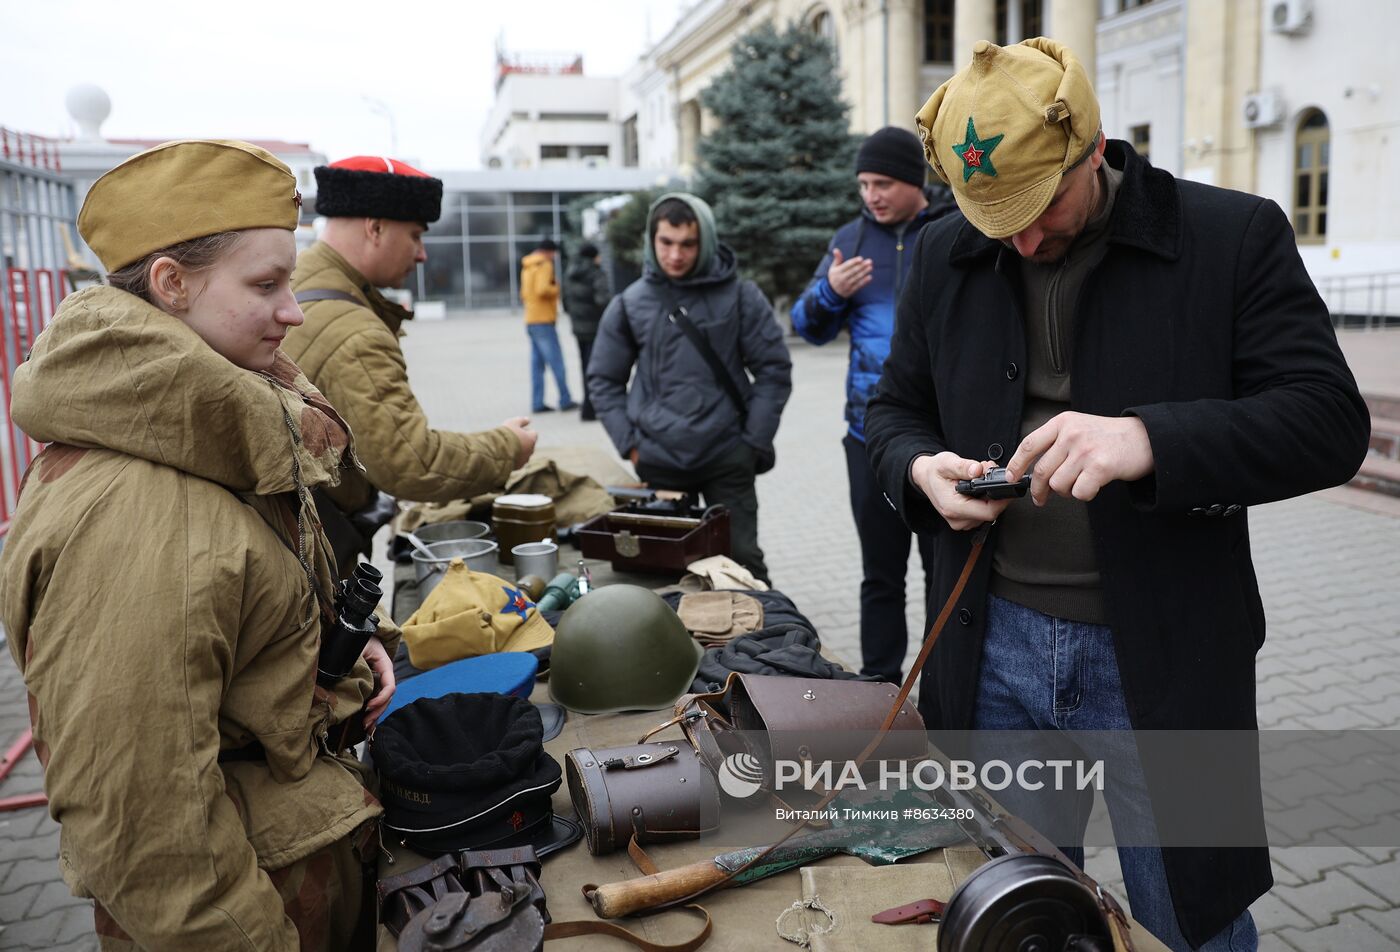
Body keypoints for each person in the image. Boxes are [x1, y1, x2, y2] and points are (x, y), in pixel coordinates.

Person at [863, 39, 1369, 952]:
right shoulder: (944, 251)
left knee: (1194, 924)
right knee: (1021, 913)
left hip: (1169, 659)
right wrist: (916, 469)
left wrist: (1150, 439)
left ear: (1091, 148)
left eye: (1040, 206)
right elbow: (895, 409)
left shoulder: (1231, 236)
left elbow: (1329, 420)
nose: (1018, 241)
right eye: (993, 217)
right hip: (992, 649)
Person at [0, 140, 398, 949]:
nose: (294, 311)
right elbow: (151, 842)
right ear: (171, 285)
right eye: (265, 285)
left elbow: (241, 616)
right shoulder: (138, 513)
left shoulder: (214, 423)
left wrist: (348, 651)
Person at [285, 155, 536, 572]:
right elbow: (412, 462)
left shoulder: (299, 281)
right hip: (309, 559)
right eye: (416, 236)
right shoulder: (354, 332)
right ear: (376, 227)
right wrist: (508, 447)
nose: (421, 254)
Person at [791, 126, 955, 683]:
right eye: (863, 184)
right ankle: (880, 685)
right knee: (879, 574)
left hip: (946, 439)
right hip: (869, 438)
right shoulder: (850, 240)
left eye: (882, 182)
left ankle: (941, 684)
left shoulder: (955, 227)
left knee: (946, 573)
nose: (871, 195)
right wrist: (830, 291)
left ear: (915, 181)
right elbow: (806, 328)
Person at [589, 193, 792, 583]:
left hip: (728, 455)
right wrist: (629, 443)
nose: (675, 255)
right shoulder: (630, 303)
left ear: (706, 242)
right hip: (659, 458)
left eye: (687, 244)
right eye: (666, 242)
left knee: (742, 564)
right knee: (665, 570)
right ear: (653, 240)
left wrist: (752, 442)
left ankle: (764, 640)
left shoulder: (740, 295)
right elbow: (603, 379)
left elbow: (774, 369)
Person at [520, 237, 576, 414]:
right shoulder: (544, 265)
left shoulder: (528, 265)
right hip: (544, 320)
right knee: (556, 362)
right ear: (549, 251)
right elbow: (543, 289)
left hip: (531, 319)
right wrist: (557, 288)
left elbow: (524, 293)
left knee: (537, 366)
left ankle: (537, 403)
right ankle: (565, 399)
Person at [562, 241, 611, 421]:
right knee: (596, 369)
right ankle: (593, 409)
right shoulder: (596, 274)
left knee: (584, 367)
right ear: (593, 256)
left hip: (578, 328)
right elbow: (603, 301)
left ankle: (587, 409)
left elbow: (565, 302)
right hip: (595, 329)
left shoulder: (569, 272)